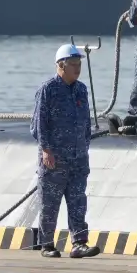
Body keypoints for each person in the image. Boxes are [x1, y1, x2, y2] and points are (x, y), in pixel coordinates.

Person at [31, 44, 101, 258]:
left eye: (79, 64)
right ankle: (47, 245)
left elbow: (86, 122)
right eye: (73, 65)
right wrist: (46, 150)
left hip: (78, 158)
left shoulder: (81, 89)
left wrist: (85, 146)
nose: (77, 68)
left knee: (78, 201)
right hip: (55, 159)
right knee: (50, 204)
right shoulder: (48, 90)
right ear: (61, 66)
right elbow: (39, 124)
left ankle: (79, 243)